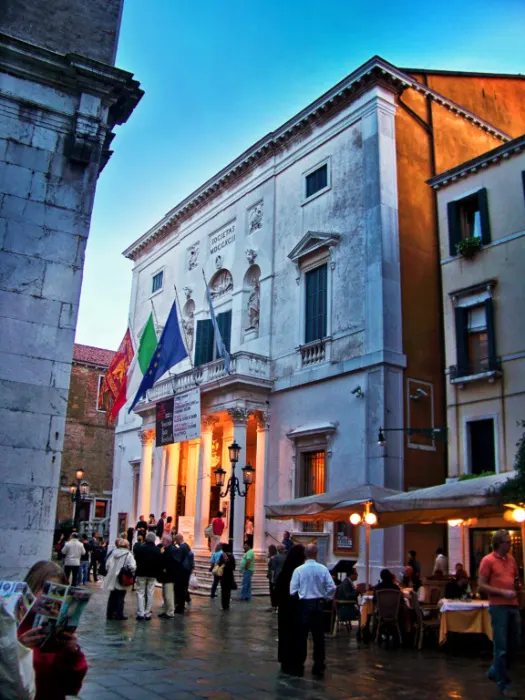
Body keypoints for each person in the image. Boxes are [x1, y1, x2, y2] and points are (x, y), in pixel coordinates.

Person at [17, 560, 88, 699]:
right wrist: (18, 649)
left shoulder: (58, 629)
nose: (49, 597)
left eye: (59, 591)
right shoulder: (11, 624)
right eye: (45, 589)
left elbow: (71, 687)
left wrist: (73, 653)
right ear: (30, 587)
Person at [478, 529, 521, 698]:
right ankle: (504, 682)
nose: (510, 544)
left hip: (513, 605)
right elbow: (481, 585)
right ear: (499, 544)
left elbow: (515, 578)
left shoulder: (511, 560)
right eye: (508, 542)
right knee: (501, 645)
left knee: (515, 643)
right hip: (498, 606)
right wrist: (502, 592)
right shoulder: (487, 561)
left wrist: (517, 586)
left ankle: (495, 670)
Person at [290, 544, 336, 677]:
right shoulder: (323, 569)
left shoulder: (299, 570)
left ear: (305, 554)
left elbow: (293, 590)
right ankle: (319, 664)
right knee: (318, 636)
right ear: (316, 554)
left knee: (302, 636)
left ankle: (299, 664)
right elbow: (332, 587)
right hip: (319, 604)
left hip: (304, 604)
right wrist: (326, 597)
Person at [275, 544, 305, 675]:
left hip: (285, 608)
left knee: (285, 633)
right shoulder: (301, 572)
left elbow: (277, 590)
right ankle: (297, 659)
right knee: (298, 634)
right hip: (299, 608)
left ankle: (285, 658)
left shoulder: (285, 572)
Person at [103, 538, 136, 620]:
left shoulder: (113, 553)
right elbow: (133, 567)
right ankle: (119, 614)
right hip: (122, 577)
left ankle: (109, 613)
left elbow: (107, 565)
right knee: (121, 596)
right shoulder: (128, 554)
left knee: (112, 596)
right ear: (126, 545)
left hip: (112, 577)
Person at [134, 532, 163, 621]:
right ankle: (147, 613)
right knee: (150, 593)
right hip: (152, 574)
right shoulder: (157, 550)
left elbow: (136, 558)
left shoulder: (140, 548)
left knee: (140, 592)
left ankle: (140, 613)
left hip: (141, 572)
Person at [172, 534, 191, 614]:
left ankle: (179, 607)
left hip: (181, 572)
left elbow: (178, 560)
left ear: (178, 539)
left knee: (179, 590)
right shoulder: (187, 546)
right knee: (183, 589)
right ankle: (181, 606)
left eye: (176, 540)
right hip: (186, 572)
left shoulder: (182, 548)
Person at [218, 543, 236, 611]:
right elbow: (234, 566)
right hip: (229, 576)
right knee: (228, 591)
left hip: (223, 576)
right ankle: (227, 605)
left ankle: (224, 605)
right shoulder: (231, 556)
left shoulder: (222, 556)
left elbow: (220, 564)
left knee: (224, 591)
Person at [266, 544, 278, 611]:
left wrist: (272, 578)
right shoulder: (274, 557)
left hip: (272, 577)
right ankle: (274, 605)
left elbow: (272, 568)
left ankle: (274, 606)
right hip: (272, 576)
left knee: (273, 591)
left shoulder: (273, 558)